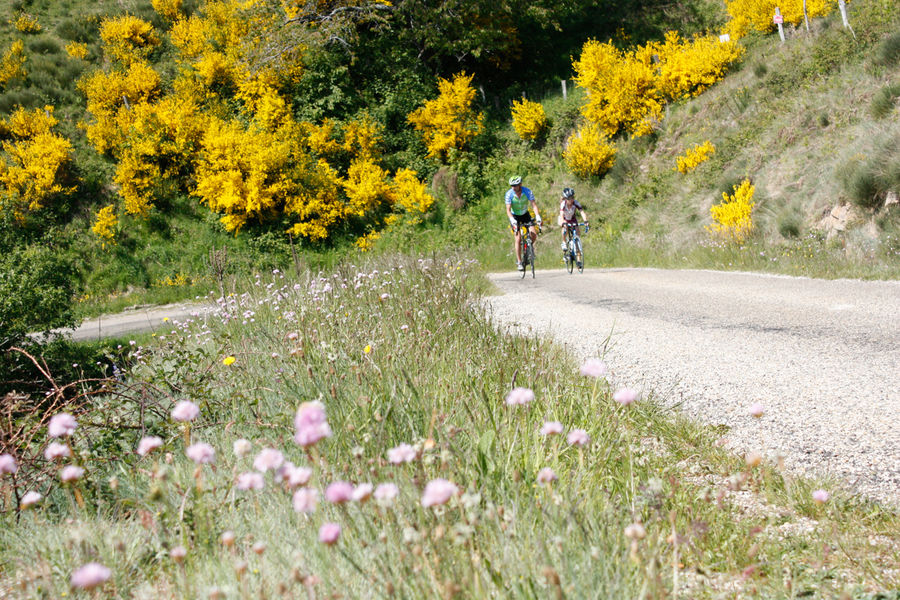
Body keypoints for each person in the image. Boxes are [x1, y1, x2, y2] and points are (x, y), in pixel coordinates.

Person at [505, 175, 542, 271]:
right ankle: (519, 262)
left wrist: (537, 216)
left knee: (533, 234)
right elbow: (508, 210)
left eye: (515, 185)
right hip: (515, 216)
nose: (513, 187)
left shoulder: (527, 191)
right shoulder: (509, 194)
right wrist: (512, 220)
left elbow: (533, 205)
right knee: (518, 238)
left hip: (525, 214)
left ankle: (528, 249)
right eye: (512, 186)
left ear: (520, 184)